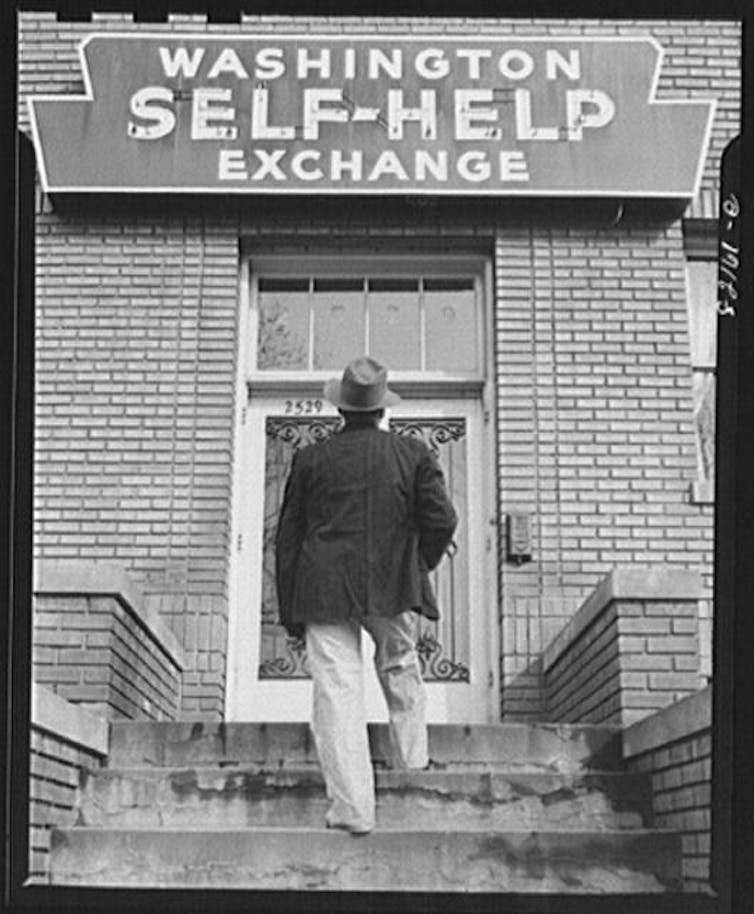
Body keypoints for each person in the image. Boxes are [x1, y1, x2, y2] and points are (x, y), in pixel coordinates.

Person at [275, 355, 458, 836]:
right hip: (392, 580)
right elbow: (443, 520)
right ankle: (413, 768)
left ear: (342, 409)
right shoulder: (413, 453)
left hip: (323, 585)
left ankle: (352, 809)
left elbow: (288, 538)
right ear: (382, 409)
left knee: (337, 692)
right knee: (400, 666)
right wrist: (418, 564)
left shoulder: (310, 458)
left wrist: (290, 607)